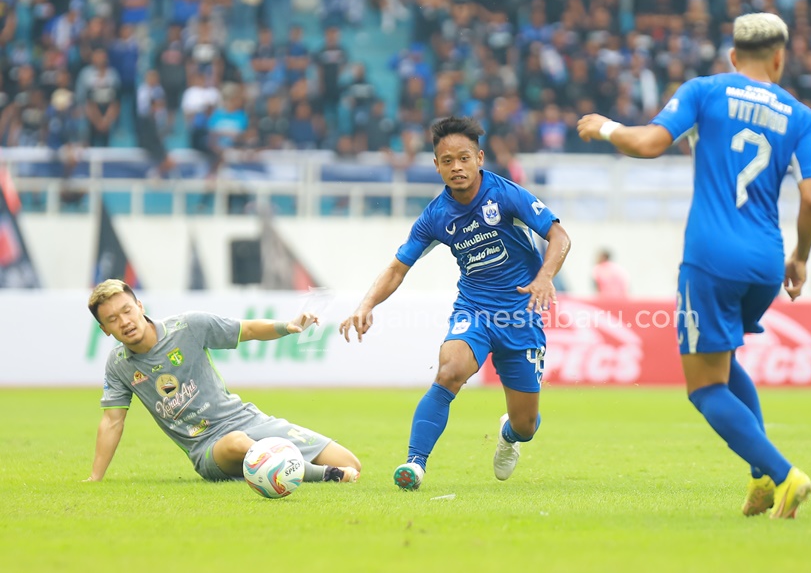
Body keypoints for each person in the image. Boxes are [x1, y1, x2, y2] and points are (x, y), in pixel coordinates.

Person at [575, 13, 811, 519]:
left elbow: (648, 144)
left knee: (704, 387)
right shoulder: (800, 116)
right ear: (780, 58)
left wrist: (603, 126)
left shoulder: (706, 90)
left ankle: (784, 475)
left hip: (710, 258)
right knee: (725, 364)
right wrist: (800, 255)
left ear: (733, 57)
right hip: (765, 262)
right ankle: (760, 482)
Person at [339, 116, 571, 490]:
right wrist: (366, 305)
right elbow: (398, 267)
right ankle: (415, 464)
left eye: (464, 158)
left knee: (526, 426)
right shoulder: (435, 216)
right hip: (474, 310)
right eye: (447, 161)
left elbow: (559, 236)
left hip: (519, 315)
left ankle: (508, 436)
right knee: (449, 371)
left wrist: (545, 277)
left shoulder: (506, 195)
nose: (457, 167)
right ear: (436, 165)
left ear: (479, 158)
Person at [85, 279, 361, 484]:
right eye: (112, 319)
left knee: (351, 463)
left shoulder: (189, 327)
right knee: (238, 443)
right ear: (105, 330)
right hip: (209, 450)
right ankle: (327, 476)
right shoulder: (119, 365)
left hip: (249, 420)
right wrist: (95, 478)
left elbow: (247, 329)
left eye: (127, 310)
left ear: (139, 306)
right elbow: (112, 421)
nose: (125, 321)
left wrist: (287, 327)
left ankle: (275, 468)